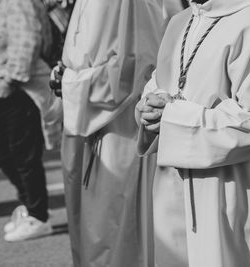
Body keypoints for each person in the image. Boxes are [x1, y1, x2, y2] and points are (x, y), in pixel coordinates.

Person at [136, 0, 250, 266]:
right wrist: (149, 105)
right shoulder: (180, 22)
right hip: (175, 187)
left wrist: (173, 117)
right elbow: (163, 82)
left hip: (236, 188)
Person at [58, 0, 165, 266]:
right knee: (93, 219)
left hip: (117, 128)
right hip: (90, 118)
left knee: (110, 223)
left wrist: (70, 82)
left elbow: (132, 68)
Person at [0, 0, 62, 242]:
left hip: (14, 88)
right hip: (0, 87)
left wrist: (9, 81)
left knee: (23, 155)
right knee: (0, 150)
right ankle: (32, 206)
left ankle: (38, 216)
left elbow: (25, 41)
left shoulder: (19, 1)